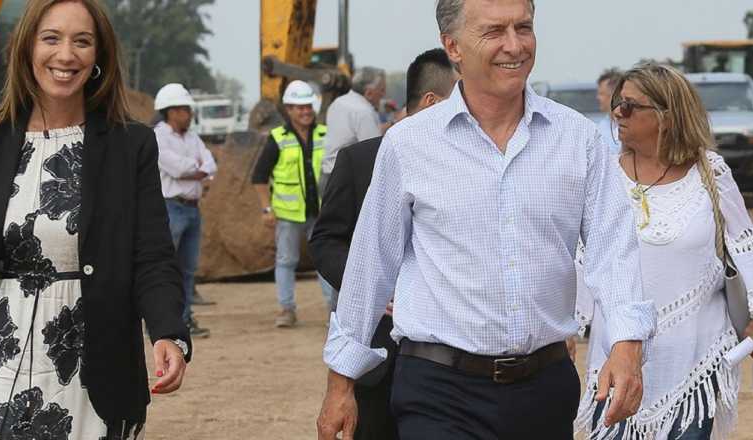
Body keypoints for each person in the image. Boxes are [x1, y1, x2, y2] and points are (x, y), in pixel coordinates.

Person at [316, 1, 658, 439]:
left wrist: (628, 346)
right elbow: (370, 268)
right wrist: (341, 382)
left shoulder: (579, 141)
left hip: (545, 389)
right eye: (494, 31)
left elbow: (614, 251)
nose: (514, 45)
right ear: (452, 46)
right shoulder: (408, 145)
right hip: (439, 391)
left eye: (524, 27)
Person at [0, 1, 190, 438]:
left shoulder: (130, 145)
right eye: (51, 38)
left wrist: (168, 333)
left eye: (82, 41)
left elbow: (153, 256)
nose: (66, 55)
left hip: (92, 373)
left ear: (99, 57)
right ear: (26, 48)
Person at [574, 63, 753, 440]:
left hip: (696, 359)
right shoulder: (603, 176)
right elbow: (584, 261)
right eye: (617, 103)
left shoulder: (710, 173)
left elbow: (746, 249)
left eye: (630, 106)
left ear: (667, 115)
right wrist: (567, 328)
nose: (617, 113)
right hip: (617, 358)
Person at [310, 48, 457, 440]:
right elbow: (325, 241)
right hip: (376, 357)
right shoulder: (360, 162)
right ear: (432, 102)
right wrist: (372, 284)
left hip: (449, 364)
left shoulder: (466, 169)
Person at [251, 80, 335, 328]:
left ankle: (334, 310)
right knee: (286, 261)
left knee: (326, 261)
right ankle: (287, 309)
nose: (305, 111)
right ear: (288, 109)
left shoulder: (325, 134)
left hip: (320, 211)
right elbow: (259, 177)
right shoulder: (277, 138)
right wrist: (266, 208)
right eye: (299, 107)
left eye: (308, 106)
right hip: (288, 214)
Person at [153, 83, 217, 339]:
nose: (189, 114)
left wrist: (198, 168)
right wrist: (198, 168)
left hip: (191, 209)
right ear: (170, 111)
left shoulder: (193, 137)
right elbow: (177, 168)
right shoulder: (157, 137)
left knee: (187, 270)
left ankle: (185, 319)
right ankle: (160, 321)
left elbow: (211, 164)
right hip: (171, 208)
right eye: (184, 110)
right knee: (166, 269)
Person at [322, 66, 386, 193]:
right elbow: (374, 152)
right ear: (369, 93)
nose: (384, 94)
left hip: (327, 176)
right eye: (382, 90)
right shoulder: (364, 112)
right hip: (347, 182)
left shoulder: (338, 103)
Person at [597, 68, 623, 154]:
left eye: (601, 93)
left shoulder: (634, 126)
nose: (597, 98)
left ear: (614, 94)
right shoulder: (599, 128)